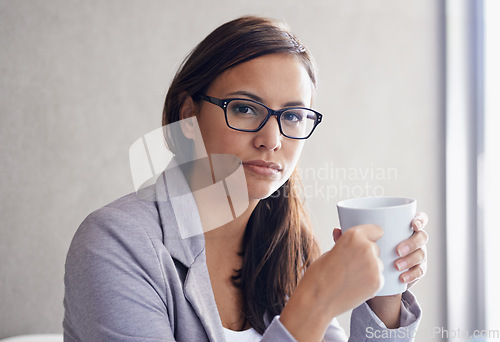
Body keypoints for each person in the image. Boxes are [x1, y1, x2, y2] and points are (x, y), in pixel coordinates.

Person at [63, 16, 429, 342]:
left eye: (293, 116)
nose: (271, 139)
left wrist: (385, 295)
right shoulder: (115, 243)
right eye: (244, 108)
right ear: (188, 114)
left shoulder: (288, 249)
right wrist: (315, 302)